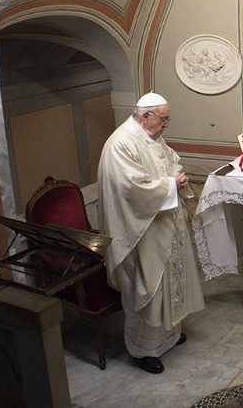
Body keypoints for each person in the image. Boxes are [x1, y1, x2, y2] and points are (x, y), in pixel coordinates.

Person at [98, 92, 204, 374]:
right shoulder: (121, 143)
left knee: (170, 282)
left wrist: (178, 178)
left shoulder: (152, 135)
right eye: (163, 119)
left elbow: (170, 161)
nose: (166, 124)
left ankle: (169, 335)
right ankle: (143, 349)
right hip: (141, 230)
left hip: (165, 223)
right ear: (145, 116)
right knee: (149, 288)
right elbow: (131, 188)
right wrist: (170, 185)